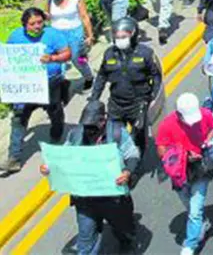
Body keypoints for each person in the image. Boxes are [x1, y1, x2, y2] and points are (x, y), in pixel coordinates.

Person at [41, 99, 140, 255]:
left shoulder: (117, 133)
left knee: (124, 233)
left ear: (103, 120)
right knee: (85, 242)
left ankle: (126, 242)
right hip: (85, 199)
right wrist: (50, 167)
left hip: (113, 199)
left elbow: (132, 154)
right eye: (86, 126)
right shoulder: (75, 135)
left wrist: (127, 172)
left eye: (92, 126)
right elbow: (63, 157)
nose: (88, 130)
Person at [2, 7, 72, 173]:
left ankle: (56, 137)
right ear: (25, 24)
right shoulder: (16, 36)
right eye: (32, 23)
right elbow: (7, 56)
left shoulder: (53, 35)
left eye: (40, 22)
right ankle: (14, 158)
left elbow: (67, 54)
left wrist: (53, 58)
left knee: (55, 113)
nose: (37, 26)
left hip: (50, 84)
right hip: (26, 87)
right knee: (19, 119)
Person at [89, 17, 162, 159]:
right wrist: (94, 98)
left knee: (137, 138)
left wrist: (153, 98)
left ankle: (135, 165)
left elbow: (156, 76)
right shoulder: (109, 53)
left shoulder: (145, 53)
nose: (120, 39)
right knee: (113, 137)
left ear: (133, 35)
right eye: (117, 37)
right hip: (116, 104)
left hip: (138, 104)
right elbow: (102, 76)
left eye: (124, 36)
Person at [156, 93, 213, 255]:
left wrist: (207, 141)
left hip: (200, 167)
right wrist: (183, 156)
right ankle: (201, 224)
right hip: (180, 171)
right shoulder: (167, 124)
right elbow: (161, 150)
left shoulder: (205, 114)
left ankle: (190, 245)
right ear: (178, 115)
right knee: (188, 204)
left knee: (195, 210)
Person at [47, 0, 96, 89]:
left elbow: (84, 16)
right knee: (59, 60)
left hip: (74, 32)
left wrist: (90, 35)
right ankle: (60, 83)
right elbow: (48, 14)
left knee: (76, 58)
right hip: (57, 33)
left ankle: (88, 76)